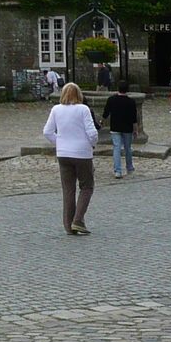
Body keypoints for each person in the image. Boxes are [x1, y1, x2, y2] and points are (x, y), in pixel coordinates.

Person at [43, 83, 98, 236]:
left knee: (68, 190)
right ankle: (78, 220)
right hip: (82, 153)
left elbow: (47, 131)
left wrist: (59, 142)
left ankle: (68, 225)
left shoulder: (56, 109)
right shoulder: (83, 109)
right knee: (87, 186)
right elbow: (92, 133)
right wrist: (91, 145)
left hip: (63, 153)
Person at [103, 81, 138, 179]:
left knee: (117, 148)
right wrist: (136, 130)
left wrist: (101, 122)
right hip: (127, 128)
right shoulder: (131, 102)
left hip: (115, 127)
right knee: (128, 148)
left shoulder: (111, 99)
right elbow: (134, 118)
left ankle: (118, 170)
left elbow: (106, 113)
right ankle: (129, 167)